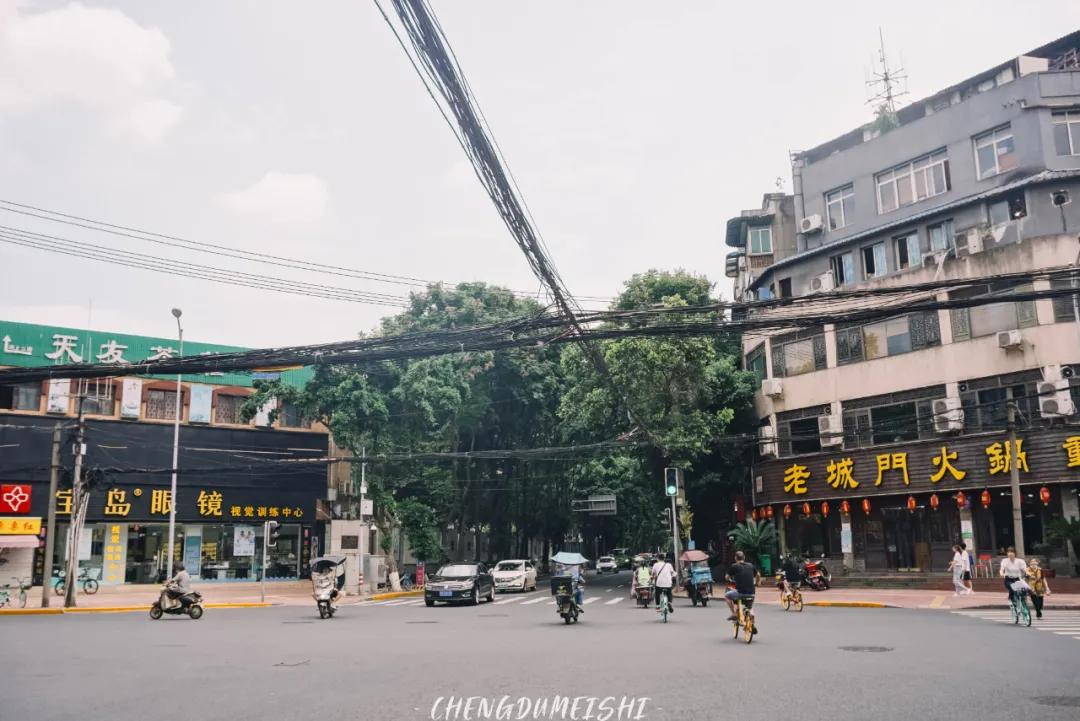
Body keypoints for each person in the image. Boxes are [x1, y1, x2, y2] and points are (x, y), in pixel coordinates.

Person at [724, 550, 758, 622]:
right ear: (744, 557)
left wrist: (729, 580)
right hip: (752, 593)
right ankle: (752, 615)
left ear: (735, 558)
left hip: (740, 593)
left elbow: (726, 577)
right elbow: (758, 575)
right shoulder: (751, 565)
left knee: (727, 595)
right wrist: (757, 583)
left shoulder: (734, 566)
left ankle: (734, 613)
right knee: (749, 606)